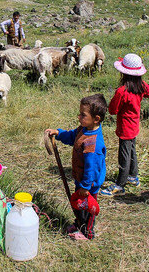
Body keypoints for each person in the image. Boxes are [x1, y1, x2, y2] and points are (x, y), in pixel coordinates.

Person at [44, 94, 107, 240]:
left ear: (96, 119)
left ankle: (87, 232)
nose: (79, 117)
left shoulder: (93, 144)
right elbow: (73, 136)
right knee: (79, 205)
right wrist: (59, 133)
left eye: (83, 115)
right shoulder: (84, 129)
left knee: (88, 208)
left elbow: (92, 168)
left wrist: (85, 187)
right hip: (81, 179)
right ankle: (79, 223)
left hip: (89, 184)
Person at [100, 53, 149, 197]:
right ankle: (133, 176)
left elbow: (112, 110)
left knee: (123, 155)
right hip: (134, 125)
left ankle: (120, 184)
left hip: (125, 126)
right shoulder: (141, 86)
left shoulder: (122, 91)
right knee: (131, 151)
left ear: (123, 73)